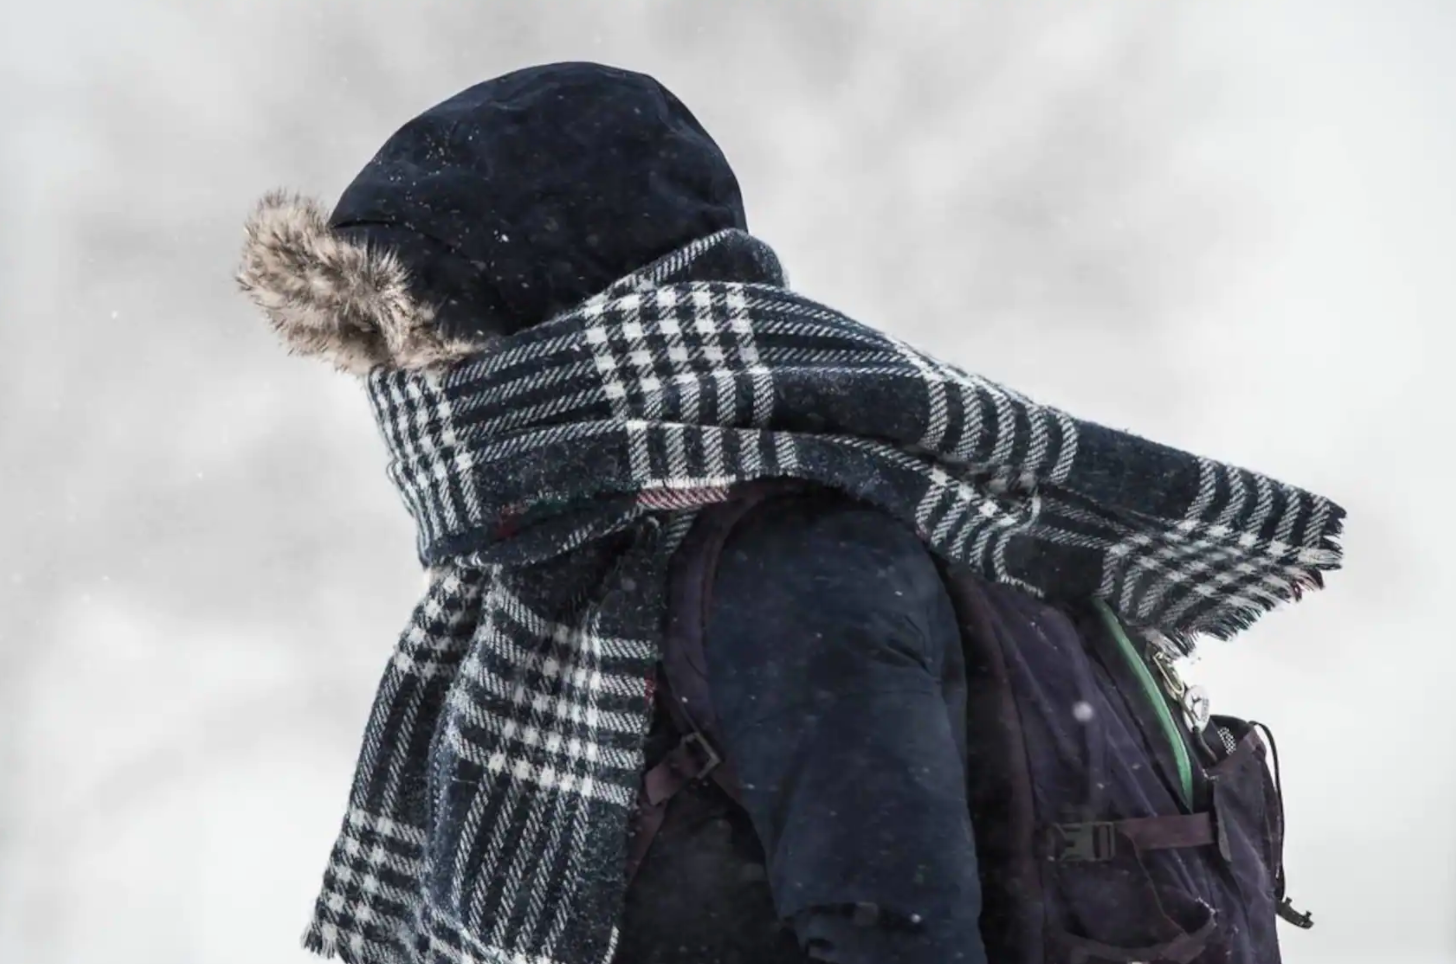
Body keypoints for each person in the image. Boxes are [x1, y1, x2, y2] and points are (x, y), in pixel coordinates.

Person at [238, 62, 1343, 964]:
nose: (414, 410)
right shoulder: (616, 574)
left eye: (435, 356)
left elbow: (892, 936)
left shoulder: (790, 565)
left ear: (556, 345)